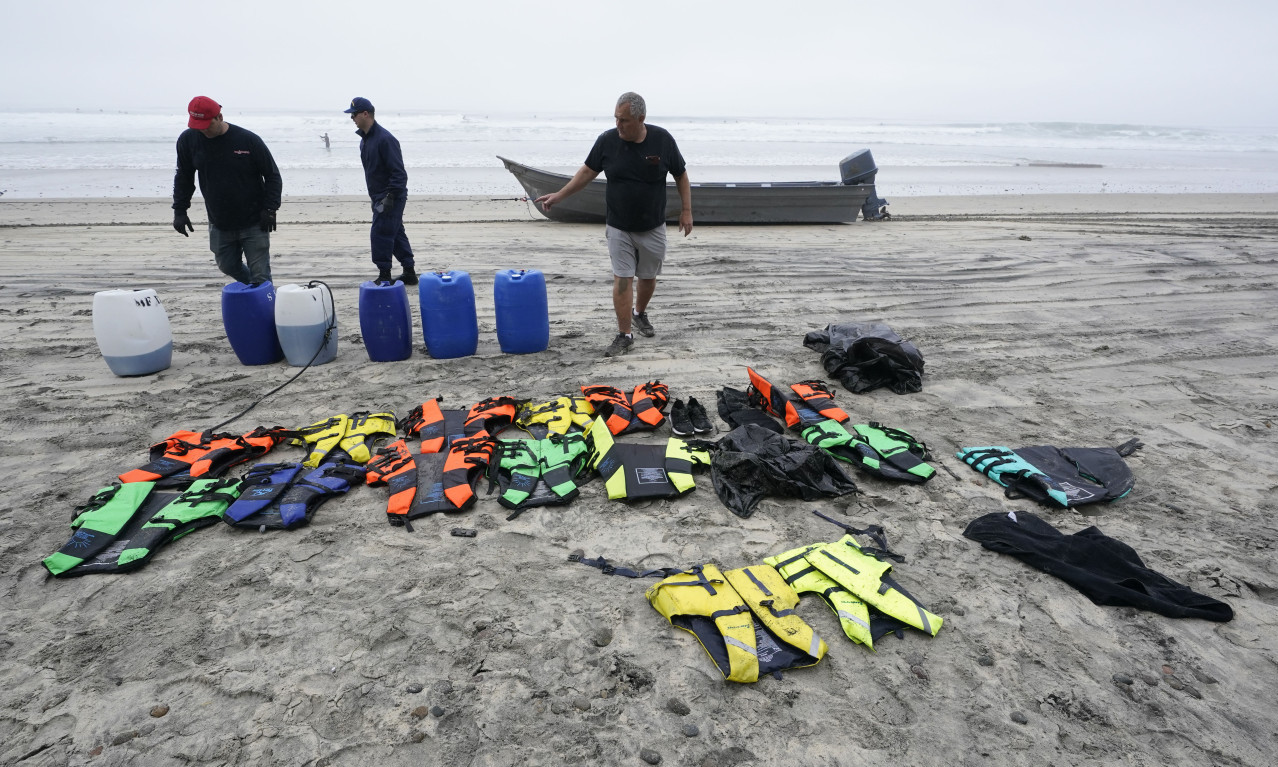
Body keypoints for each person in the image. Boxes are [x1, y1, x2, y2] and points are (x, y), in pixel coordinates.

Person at [536, 92, 692, 357]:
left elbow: (680, 174)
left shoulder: (662, 140)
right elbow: (586, 172)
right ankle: (624, 335)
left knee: (648, 277)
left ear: (641, 119)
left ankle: (639, 314)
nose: (618, 125)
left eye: (624, 120)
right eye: (616, 119)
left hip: (653, 225)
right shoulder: (607, 141)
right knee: (622, 279)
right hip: (619, 226)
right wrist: (559, 195)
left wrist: (686, 210)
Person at [172, 96, 282, 285]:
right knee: (228, 266)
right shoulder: (188, 140)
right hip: (219, 221)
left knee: (261, 275)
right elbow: (184, 176)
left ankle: (265, 304)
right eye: (197, 125)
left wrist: (270, 209)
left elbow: (272, 175)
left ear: (219, 117)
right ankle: (259, 291)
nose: (203, 130)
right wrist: (180, 210)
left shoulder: (248, 140)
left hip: (254, 220)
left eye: (207, 124)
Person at [344, 97, 416, 285]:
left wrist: (390, 197)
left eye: (354, 114)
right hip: (377, 196)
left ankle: (384, 274)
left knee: (380, 233)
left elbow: (399, 173)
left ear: (365, 114)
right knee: (396, 232)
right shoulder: (365, 141)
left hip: (391, 196)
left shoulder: (386, 139)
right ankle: (409, 271)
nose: (352, 118)